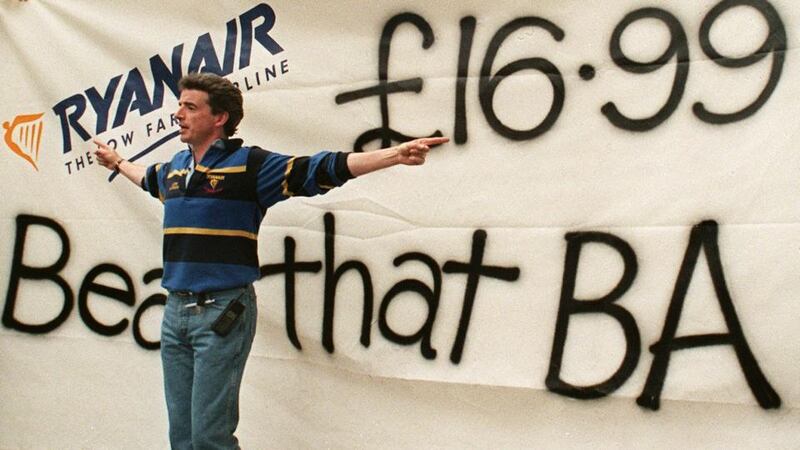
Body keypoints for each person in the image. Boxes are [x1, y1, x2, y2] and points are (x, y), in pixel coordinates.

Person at [93, 72, 448, 449]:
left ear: (220, 118)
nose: (178, 113)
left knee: (210, 437)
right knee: (182, 438)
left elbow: (321, 168)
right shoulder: (175, 170)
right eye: (180, 104)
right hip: (174, 312)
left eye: (189, 106)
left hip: (222, 312)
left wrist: (393, 154)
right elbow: (147, 179)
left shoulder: (251, 167)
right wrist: (116, 162)